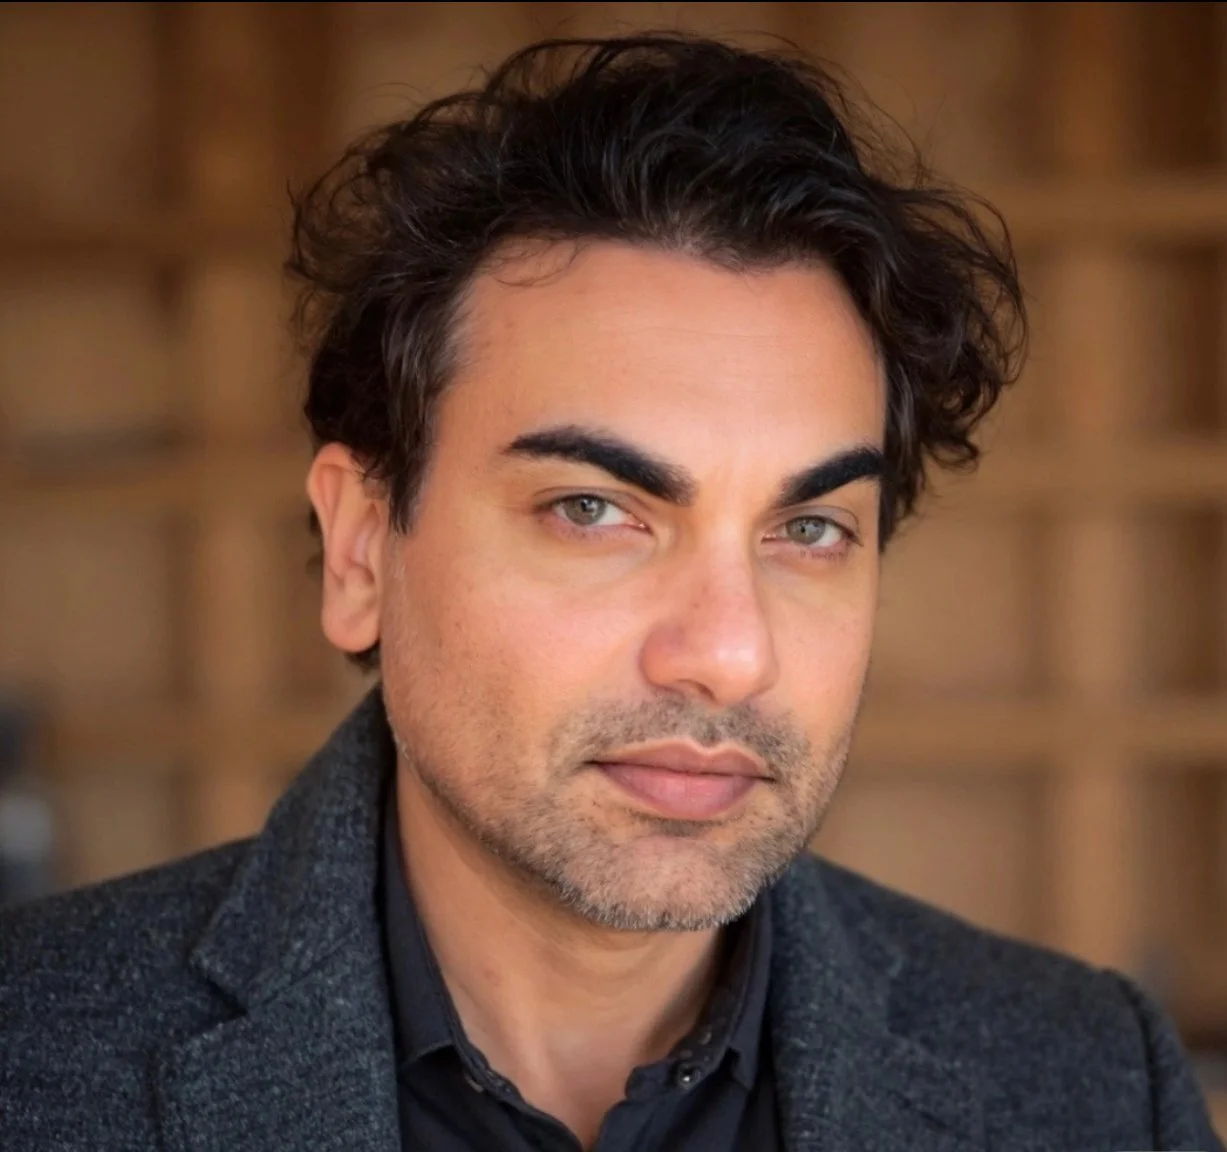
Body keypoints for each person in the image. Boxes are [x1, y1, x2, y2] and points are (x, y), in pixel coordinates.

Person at [1, 33, 1221, 1152]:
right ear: (363, 549)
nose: (727, 655)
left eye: (809, 528)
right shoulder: (34, 1054)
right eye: (595, 511)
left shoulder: (1088, 1086)